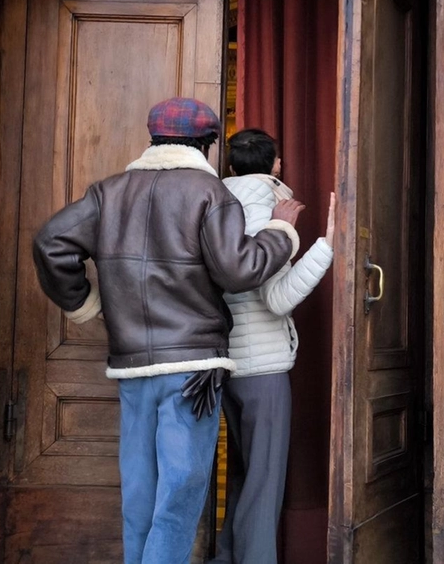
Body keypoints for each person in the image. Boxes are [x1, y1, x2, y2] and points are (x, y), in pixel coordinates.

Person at [32, 99, 305, 564]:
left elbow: (49, 243)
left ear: (152, 138)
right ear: (208, 144)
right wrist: (280, 232)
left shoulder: (108, 192)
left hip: (133, 367)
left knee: (140, 494)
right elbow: (240, 271)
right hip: (193, 372)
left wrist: (90, 307)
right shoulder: (208, 192)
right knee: (179, 494)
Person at [211, 128, 335, 564]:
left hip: (226, 361)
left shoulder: (215, 202)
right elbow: (276, 298)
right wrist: (325, 248)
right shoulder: (268, 205)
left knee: (244, 474)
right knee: (264, 480)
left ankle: (227, 556)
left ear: (229, 166)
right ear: (276, 164)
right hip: (263, 367)